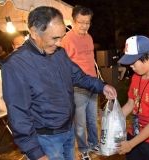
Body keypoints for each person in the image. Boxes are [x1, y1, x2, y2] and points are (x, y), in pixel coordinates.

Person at [1, 6, 117, 160]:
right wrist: (35, 152)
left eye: (61, 37)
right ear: (34, 32)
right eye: (55, 38)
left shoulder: (59, 53)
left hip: (68, 131)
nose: (59, 43)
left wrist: (102, 86)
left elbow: (79, 77)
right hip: (45, 140)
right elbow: (18, 114)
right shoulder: (16, 65)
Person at [61, 5, 100, 160]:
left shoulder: (89, 37)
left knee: (92, 118)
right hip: (78, 87)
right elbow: (64, 65)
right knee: (80, 123)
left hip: (93, 84)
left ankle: (93, 144)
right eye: (81, 22)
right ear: (73, 21)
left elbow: (90, 61)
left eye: (87, 22)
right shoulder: (67, 40)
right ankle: (83, 149)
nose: (84, 26)